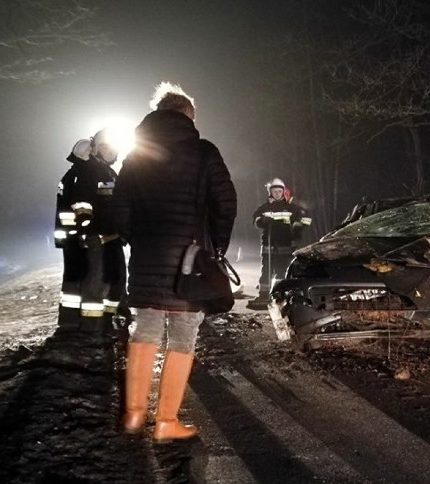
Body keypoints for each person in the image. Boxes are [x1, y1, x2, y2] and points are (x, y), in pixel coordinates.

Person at [112, 82, 237, 442]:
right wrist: (215, 248)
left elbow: (119, 211)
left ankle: (134, 415)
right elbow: (225, 204)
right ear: (188, 115)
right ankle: (165, 421)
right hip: (190, 260)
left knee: (144, 329)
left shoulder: (136, 154)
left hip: (147, 257)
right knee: (182, 336)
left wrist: (140, 239)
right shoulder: (204, 151)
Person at [54, 132, 125, 335]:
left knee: (107, 280)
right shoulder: (89, 172)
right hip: (96, 237)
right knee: (95, 283)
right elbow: (82, 203)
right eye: (105, 147)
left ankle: (91, 324)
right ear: (94, 149)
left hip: (106, 236)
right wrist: (85, 228)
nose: (110, 152)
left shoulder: (107, 172)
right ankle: (92, 329)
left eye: (112, 148)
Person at [247, 178, 311, 308]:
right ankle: (264, 295)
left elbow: (306, 218)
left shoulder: (291, 208)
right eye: (274, 191)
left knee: (283, 272)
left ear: (283, 192)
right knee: (266, 271)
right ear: (271, 192)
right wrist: (261, 222)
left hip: (285, 246)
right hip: (268, 246)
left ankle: (281, 294)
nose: (277, 194)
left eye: (279, 191)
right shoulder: (264, 207)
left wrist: (298, 226)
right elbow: (255, 219)